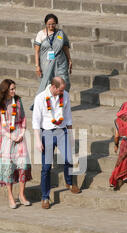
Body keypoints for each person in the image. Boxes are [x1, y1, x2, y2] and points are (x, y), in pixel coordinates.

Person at [32, 76, 81, 209]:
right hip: (46, 132)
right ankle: (45, 197)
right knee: (46, 167)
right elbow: (36, 121)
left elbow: (68, 116)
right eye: (60, 90)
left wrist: (70, 135)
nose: (62, 92)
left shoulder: (65, 95)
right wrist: (37, 140)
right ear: (53, 87)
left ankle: (69, 182)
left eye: (63, 90)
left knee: (69, 159)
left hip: (61, 130)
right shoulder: (41, 98)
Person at [0, 79, 32, 209]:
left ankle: (22, 194)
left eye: (14, 89)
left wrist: (22, 132)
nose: (14, 91)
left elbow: (23, 116)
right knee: (9, 167)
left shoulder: (18, 101)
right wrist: (8, 135)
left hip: (19, 135)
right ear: (6, 90)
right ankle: (10, 196)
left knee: (23, 166)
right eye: (11, 89)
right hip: (7, 137)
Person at [30, 13, 72, 111]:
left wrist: (69, 60)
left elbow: (65, 48)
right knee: (48, 84)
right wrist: (37, 66)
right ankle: (46, 105)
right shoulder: (41, 34)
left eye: (53, 24)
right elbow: (36, 51)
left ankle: (61, 104)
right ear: (45, 24)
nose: (51, 26)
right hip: (46, 64)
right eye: (49, 24)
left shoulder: (60, 34)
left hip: (60, 62)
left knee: (64, 82)